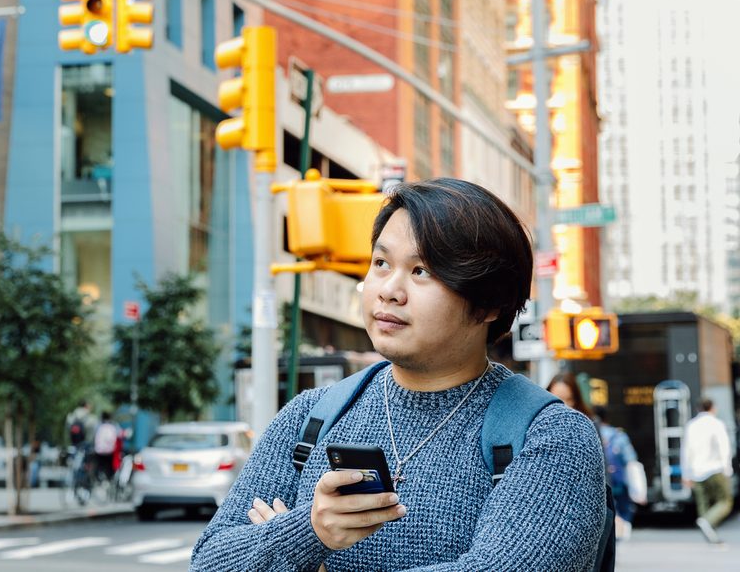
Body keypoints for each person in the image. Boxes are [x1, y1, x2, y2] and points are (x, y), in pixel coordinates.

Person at [191, 178, 608, 570]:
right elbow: (209, 560)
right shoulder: (311, 416)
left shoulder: (552, 436)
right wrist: (308, 530)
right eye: (381, 262)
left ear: (489, 304)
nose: (389, 289)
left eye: (421, 270)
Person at [682, 398, 734, 544]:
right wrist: (727, 468)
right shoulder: (716, 424)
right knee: (724, 501)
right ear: (712, 408)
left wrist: (686, 473)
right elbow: (724, 447)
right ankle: (708, 522)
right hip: (715, 468)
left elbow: (686, 451)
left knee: (704, 504)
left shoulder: (691, 425)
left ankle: (711, 533)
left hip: (696, 471)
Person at [593, 405, 640, 541]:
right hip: (619, 481)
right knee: (623, 511)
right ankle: (619, 537)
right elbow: (630, 459)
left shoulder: (588, 432)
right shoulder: (618, 435)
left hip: (600, 482)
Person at [93, 411, 120, 482]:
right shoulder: (114, 426)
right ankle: (109, 479)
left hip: (98, 450)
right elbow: (119, 435)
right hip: (110, 451)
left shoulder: (98, 425)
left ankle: (97, 478)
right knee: (110, 467)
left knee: (98, 465)